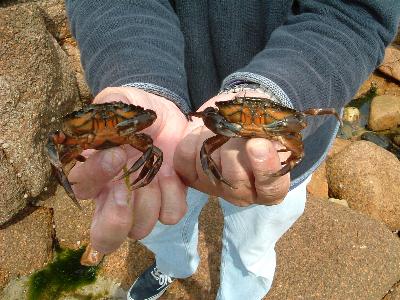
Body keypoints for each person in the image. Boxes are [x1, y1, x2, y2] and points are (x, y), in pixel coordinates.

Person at [65, 1, 399, 299]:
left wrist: (284, 90)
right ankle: (173, 266)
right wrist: (140, 79)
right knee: (161, 220)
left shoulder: (284, 129)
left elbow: (354, 12)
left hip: (280, 128)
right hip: (174, 132)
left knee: (254, 242)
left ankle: (239, 293)